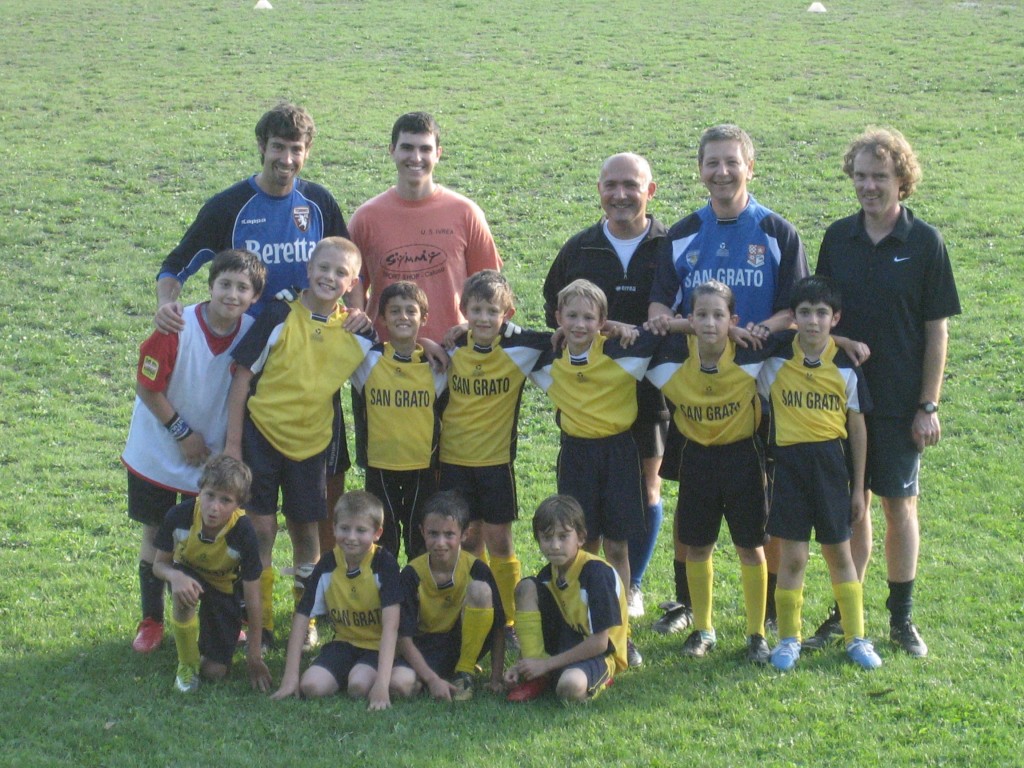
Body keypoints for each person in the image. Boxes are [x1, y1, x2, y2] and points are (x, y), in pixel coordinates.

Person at [153, 100, 356, 562]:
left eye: (296, 150)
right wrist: (166, 303)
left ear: (307, 153)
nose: (286, 159)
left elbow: (350, 266)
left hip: (314, 365)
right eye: (278, 148)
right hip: (252, 361)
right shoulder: (229, 206)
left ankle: (321, 594)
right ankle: (234, 592)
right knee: (246, 494)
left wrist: (358, 312)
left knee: (318, 493)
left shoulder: (319, 203)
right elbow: (175, 265)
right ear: (261, 147)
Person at [648, 124, 809, 636]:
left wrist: (761, 329)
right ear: (700, 171)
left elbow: (796, 310)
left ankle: (765, 614)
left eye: (731, 162)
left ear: (750, 167)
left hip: (757, 386)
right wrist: (692, 325)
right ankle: (688, 606)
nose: (722, 172)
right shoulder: (683, 233)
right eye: (712, 163)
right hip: (698, 387)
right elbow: (657, 306)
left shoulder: (777, 233)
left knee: (762, 505)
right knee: (691, 501)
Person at [807, 128, 960, 658]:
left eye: (880, 176)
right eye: (861, 176)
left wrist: (927, 405)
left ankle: (901, 617)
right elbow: (820, 314)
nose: (869, 186)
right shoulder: (837, 237)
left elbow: (937, 330)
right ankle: (846, 612)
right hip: (841, 397)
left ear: (902, 181)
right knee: (853, 508)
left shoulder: (925, 243)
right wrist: (839, 339)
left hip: (898, 402)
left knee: (899, 505)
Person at [225, 237, 376, 653]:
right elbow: (241, 378)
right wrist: (233, 445)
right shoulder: (279, 312)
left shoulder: (358, 333)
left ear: (351, 283)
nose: (329, 277)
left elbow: (397, 363)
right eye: (323, 268)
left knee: (306, 530)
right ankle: (258, 619)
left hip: (311, 445)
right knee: (260, 528)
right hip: (262, 436)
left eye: (339, 273)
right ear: (308, 270)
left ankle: (304, 617)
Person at [542, 152, 670, 619]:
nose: (620, 194)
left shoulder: (669, 246)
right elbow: (552, 306)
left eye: (631, 185)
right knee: (585, 508)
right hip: (590, 396)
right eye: (611, 185)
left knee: (646, 490)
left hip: (649, 392)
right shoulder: (580, 249)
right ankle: (585, 587)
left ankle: (629, 584)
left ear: (649, 191)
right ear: (599, 190)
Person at [123, 249, 265, 654]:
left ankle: (223, 618)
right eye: (225, 284)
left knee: (215, 534)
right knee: (156, 533)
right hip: (158, 450)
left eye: (243, 288)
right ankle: (150, 620)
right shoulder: (175, 323)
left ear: (255, 296)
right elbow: (147, 386)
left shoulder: (254, 329)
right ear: (210, 286)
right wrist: (182, 432)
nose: (232, 294)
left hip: (210, 459)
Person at [531, 279, 659, 668]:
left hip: (619, 453)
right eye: (572, 316)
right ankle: (581, 626)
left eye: (590, 317)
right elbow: (497, 332)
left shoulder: (623, 350)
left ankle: (620, 636)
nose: (580, 324)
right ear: (558, 318)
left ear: (602, 321)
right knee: (582, 548)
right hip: (576, 455)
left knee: (617, 547)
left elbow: (666, 329)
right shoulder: (547, 355)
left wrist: (620, 326)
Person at [757, 276, 882, 671]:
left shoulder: (845, 365)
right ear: (792, 317)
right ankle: (788, 640)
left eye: (822, 313)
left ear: (835, 318)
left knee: (839, 555)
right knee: (793, 558)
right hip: (789, 467)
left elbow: (858, 427)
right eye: (805, 313)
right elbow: (755, 404)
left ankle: (855, 637)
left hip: (832, 467)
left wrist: (859, 487)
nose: (813, 321)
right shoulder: (774, 359)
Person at [645, 280, 773, 664]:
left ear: (733, 320)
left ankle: (757, 634)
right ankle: (703, 628)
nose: (710, 323)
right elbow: (630, 338)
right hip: (697, 459)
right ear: (690, 319)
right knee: (698, 545)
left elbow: (802, 338)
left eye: (719, 316)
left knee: (750, 547)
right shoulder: (670, 356)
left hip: (743, 459)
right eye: (701, 315)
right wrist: (678, 326)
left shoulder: (751, 353)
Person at [439, 270, 550, 637]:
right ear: (463, 310)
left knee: (500, 539)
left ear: (508, 314)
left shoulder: (521, 349)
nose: (484, 318)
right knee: (466, 539)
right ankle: (474, 610)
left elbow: (553, 339)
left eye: (493, 311)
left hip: (496, 463)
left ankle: (511, 620)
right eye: (477, 310)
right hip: (454, 460)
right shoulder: (452, 348)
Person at [346, 111, 502, 345]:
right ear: (392, 151)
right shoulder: (366, 217)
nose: (416, 157)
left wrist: (469, 326)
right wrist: (357, 313)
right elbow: (352, 278)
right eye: (407, 147)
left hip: (451, 351)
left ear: (438, 154)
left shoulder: (466, 213)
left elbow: (492, 285)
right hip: (384, 354)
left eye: (425, 149)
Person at [151, 455, 272, 693]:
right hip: (188, 573)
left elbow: (253, 598)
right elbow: (158, 566)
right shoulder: (179, 516)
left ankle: (205, 645)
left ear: (239, 505)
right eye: (210, 495)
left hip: (224, 589)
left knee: (215, 672)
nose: (214, 507)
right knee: (184, 591)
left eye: (225, 500)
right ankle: (186, 665)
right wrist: (176, 577)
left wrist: (255, 656)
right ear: (199, 492)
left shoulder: (244, 532)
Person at [271, 491, 401, 709]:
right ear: (333, 528)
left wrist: (382, 684)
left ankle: (366, 673)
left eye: (361, 530)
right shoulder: (328, 564)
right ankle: (343, 672)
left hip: (376, 647)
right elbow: (302, 616)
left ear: (377, 533)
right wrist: (290, 677)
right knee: (311, 687)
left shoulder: (384, 564)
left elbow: (392, 626)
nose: (351, 537)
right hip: (343, 644)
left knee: (359, 686)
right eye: (344, 529)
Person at [350, 281, 447, 558]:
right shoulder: (367, 360)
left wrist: (431, 342)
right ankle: (387, 596)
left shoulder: (436, 365)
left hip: (422, 465)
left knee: (420, 540)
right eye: (394, 311)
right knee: (384, 539)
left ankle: (418, 596)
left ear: (424, 318)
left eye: (410, 311)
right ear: (382, 318)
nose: (402, 317)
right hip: (380, 465)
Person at [504, 495, 627, 702]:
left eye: (563, 537)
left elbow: (600, 643)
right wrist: (522, 664)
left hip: (601, 652)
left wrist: (547, 664)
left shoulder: (597, 575)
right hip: (564, 642)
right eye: (547, 537)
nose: (555, 546)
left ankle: (598, 677)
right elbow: (534, 628)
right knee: (525, 587)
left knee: (569, 689)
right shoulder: (547, 575)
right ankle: (537, 677)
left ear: (580, 538)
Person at [390, 490, 506, 701]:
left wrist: (496, 678)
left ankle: (464, 670)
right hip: (424, 646)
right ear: (422, 531)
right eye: (433, 534)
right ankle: (435, 678)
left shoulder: (477, 569)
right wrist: (431, 679)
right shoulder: (411, 574)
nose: (440, 542)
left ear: (464, 534)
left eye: (449, 535)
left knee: (480, 590)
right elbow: (403, 638)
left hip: (461, 643)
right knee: (399, 686)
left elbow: (499, 627)